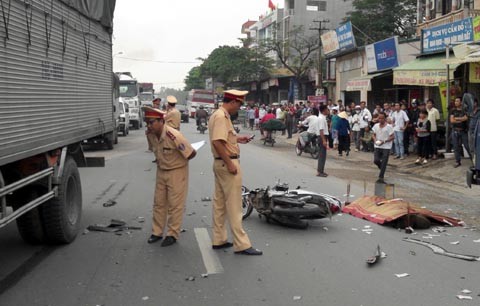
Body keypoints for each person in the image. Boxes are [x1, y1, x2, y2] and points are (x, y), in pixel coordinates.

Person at [208, 89, 262, 256]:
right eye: (239, 104)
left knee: (220, 204)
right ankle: (242, 244)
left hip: (220, 164)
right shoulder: (221, 117)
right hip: (227, 164)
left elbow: (224, 138)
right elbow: (217, 142)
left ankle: (219, 239)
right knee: (234, 206)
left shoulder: (220, 115)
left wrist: (238, 139)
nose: (239, 108)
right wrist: (230, 163)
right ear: (233, 102)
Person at [144, 107, 197, 246]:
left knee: (175, 205)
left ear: (161, 121)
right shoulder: (150, 134)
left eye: (151, 122)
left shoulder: (174, 136)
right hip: (161, 170)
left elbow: (191, 153)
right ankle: (157, 232)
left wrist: (177, 160)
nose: (149, 126)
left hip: (177, 171)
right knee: (159, 203)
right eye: (147, 122)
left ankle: (172, 234)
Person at [372, 113, 395, 182]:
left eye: (382, 118)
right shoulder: (376, 126)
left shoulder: (389, 127)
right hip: (377, 145)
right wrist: (375, 140)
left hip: (386, 147)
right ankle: (381, 167)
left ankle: (381, 176)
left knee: (384, 161)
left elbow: (393, 137)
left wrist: (384, 141)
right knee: (376, 160)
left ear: (385, 119)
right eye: (379, 118)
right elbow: (373, 135)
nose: (380, 120)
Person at [450, 97, 471, 168]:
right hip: (455, 130)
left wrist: (456, 118)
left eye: (457, 101)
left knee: (467, 146)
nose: (456, 102)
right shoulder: (453, 110)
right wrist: (461, 120)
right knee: (456, 147)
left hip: (463, 131)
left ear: (461, 102)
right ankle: (457, 161)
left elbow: (466, 118)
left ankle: (473, 160)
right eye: (455, 101)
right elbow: (452, 120)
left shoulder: (464, 110)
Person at [317, 104, 330, 177]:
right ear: (324, 110)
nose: (328, 110)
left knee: (323, 155)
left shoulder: (323, 118)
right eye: (327, 109)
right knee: (322, 155)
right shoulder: (321, 118)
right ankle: (320, 171)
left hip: (324, 136)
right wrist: (324, 140)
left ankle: (321, 170)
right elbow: (321, 130)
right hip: (322, 137)